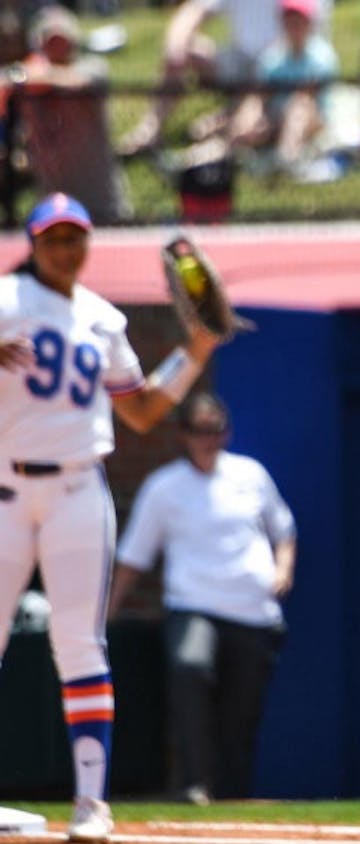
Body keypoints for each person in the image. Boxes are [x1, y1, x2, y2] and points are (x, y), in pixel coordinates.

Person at [0, 193, 224, 842]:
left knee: (80, 641)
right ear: (33, 243)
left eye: (75, 237)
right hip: (6, 486)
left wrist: (195, 352)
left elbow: (142, 410)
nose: (66, 250)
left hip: (77, 486)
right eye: (53, 238)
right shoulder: (7, 297)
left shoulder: (101, 317)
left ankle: (91, 802)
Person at [108, 393, 296, 806]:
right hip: (192, 605)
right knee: (189, 668)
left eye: (216, 430)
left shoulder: (251, 474)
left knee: (242, 708)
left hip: (253, 611)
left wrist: (283, 570)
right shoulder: (164, 487)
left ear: (227, 433)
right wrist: (109, 612)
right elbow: (134, 556)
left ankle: (233, 795)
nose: (209, 439)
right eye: (199, 431)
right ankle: (194, 783)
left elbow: (284, 530)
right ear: (183, 435)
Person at [118, 0, 329, 157]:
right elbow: (194, 10)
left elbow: (307, 44)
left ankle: (227, 136)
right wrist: (176, 47)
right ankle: (150, 130)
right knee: (185, 49)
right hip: (242, 64)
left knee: (259, 114)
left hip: (278, 71)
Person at [3, 6, 131, 223]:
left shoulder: (93, 68)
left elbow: (74, 81)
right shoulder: (24, 82)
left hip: (102, 206)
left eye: (62, 39)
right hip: (54, 210)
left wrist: (24, 77)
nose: (57, 47)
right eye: (49, 40)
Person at [222, 0, 340, 178]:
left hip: (313, 119)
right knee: (248, 109)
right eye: (289, 21)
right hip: (276, 117)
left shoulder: (322, 57)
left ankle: (286, 162)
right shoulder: (272, 57)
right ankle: (224, 156)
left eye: (299, 21)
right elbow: (260, 94)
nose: (294, 27)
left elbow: (310, 97)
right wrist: (253, 114)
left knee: (298, 108)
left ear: (309, 23)